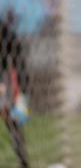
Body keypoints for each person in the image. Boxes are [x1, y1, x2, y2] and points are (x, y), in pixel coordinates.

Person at [0, 11, 30, 168]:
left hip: (7, 80)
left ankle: (23, 160)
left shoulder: (9, 34)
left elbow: (20, 65)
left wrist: (22, 93)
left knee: (13, 120)